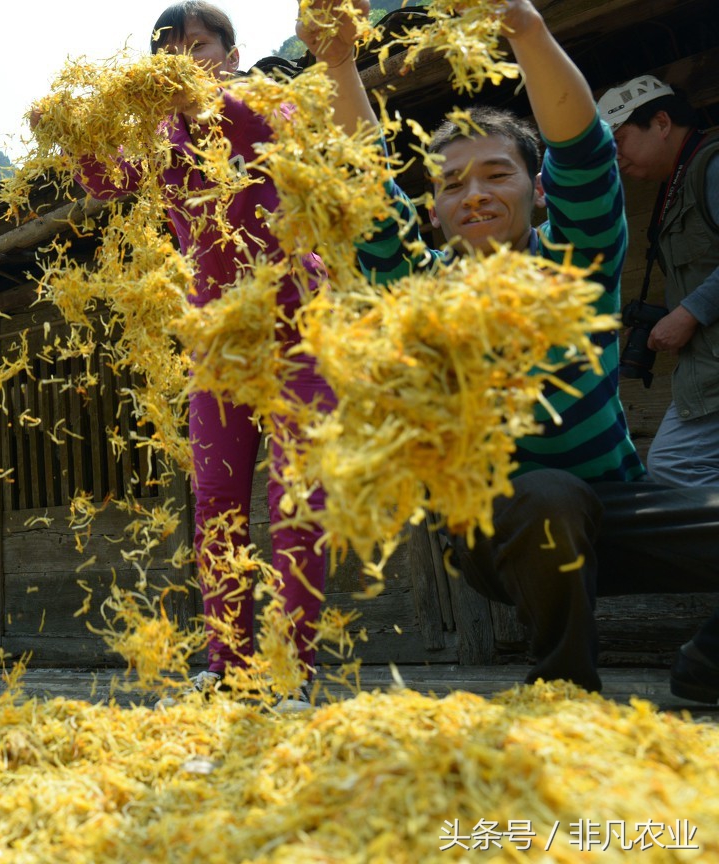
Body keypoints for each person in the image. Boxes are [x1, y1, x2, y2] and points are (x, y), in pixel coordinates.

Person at [301, 0, 719, 700]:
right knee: (546, 496)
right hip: (496, 529)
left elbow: (584, 152)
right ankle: (563, 696)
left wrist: (524, 27)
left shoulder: (573, 266)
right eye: (451, 184)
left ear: (536, 190)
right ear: (432, 211)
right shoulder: (418, 285)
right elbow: (366, 192)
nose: (474, 194)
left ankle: (706, 666)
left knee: (572, 496)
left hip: (618, 509)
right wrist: (340, 62)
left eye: (497, 174)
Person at [47, 1, 336, 707]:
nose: (186, 59)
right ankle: (227, 662)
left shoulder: (271, 97)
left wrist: (207, 98)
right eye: (170, 50)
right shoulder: (159, 134)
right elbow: (107, 180)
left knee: (299, 488)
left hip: (297, 314)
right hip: (216, 337)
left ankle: (295, 662)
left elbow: (271, 133)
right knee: (216, 500)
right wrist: (74, 129)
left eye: (199, 45)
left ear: (232, 54)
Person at [595, 76, 719, 487]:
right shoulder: (678, 182)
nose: (616, 158)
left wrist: (688, 313)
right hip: (705, 375)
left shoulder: (712, 166)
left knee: (672, 467)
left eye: (621, 141)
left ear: (661, 122)